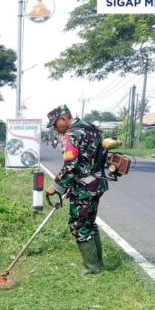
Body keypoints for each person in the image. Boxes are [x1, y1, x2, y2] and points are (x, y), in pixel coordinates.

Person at [45, 105, 108, 275]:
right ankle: (98, 264)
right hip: (97, 182)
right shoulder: (91, 129)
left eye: (55, 124)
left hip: (83, 188)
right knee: (89, 223)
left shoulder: (72, 134)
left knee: (79, 226)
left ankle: (91, 267)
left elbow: (70, 165)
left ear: (64, 118)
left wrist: (56, 187)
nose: (56, 129)